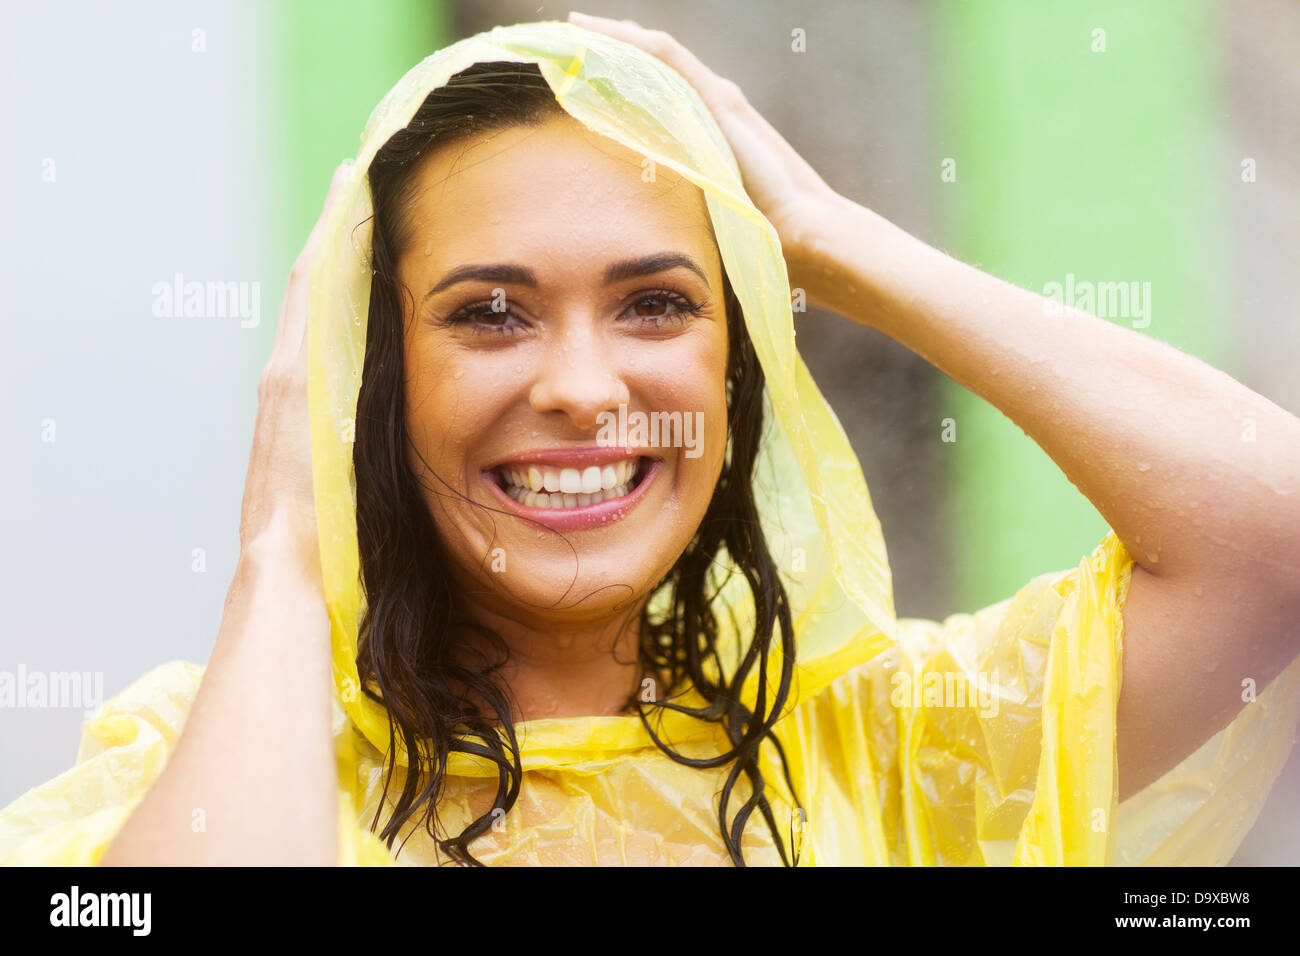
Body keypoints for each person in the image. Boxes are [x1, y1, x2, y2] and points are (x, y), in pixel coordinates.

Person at [3, 17, 1299, 867]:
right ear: (375, 375)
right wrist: (288, 548)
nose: (579, 386)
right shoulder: (200, 758)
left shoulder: (897, 749)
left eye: (656, 304)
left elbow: (1273, 534)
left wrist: (830, 239)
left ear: (734, 377)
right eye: (491, 313)